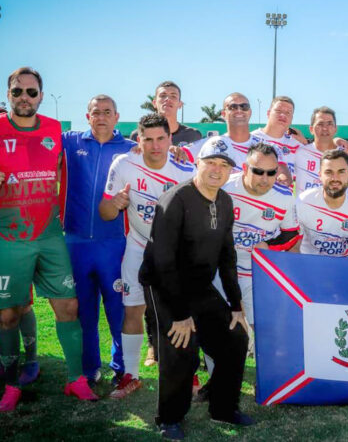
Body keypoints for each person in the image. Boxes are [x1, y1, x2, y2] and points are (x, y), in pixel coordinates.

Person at [140, 138, 251, 439]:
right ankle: (170, 418)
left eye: (224, 165)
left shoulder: (226, 201)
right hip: (164, 284)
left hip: (199, 285)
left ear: (230, 172)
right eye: (211, 163)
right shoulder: (175, 200)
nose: (217, 170)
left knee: (235, 337)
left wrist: (236, 307)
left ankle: (223, 408)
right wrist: (179, 314)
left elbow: (228, 256)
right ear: (197, 164)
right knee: (182, 345)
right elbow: (163, 262)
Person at [0, 67, 97, 412]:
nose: (24, 97)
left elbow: (96, 144)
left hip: (49, 235)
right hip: (9, 237)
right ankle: (11, 385)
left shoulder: (56, 131)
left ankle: (76, 379)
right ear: (8, 94)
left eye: (31, 91)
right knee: (8, 315)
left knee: (68, 306)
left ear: (41, 95)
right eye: (17, 92)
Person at [98, 114, 196, 399]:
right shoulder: (124, 164)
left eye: (161, 139)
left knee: (180, 312)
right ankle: (131, 375)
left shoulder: (185, 169)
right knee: (133, 309)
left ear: (170, 139)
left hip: (174, 250)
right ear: (138, 141)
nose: (155, 146)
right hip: (138, 245)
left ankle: (186, 374)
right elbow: (105, 213)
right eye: (148, 139)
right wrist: (115, 204)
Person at [62, 94, 136, 385]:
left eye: (107, 112)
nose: (101, 117)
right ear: (87, 116)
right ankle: (90, 366)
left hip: (114, 243)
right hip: (77, 242)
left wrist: (179, 153)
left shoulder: (132, 149)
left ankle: (120, 367)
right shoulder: (70, 142)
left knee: (117, 308)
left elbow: (162, 156)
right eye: (96, 112)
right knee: (84, 309)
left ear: (117, 117)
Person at [214, 142, 301, 326]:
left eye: (271, 173)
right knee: (218, 326)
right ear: (245, 168)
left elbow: (291, 234)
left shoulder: (285, 197)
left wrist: (269, 246)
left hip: (256, 272)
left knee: (262, 327)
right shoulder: (225, 188)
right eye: (258, 171)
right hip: (221, 270)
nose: (265, 178)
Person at [185, 93, 291, 183]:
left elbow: (283, 171)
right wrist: (176, 150)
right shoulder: (211, 143)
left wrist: (283, 179)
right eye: (233, 107)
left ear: (249, 112)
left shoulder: (267, 146)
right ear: (223, 113)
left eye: (244, 107)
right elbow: (178, 156)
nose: (239, 110)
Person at [297, 149, 348, 257]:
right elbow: (294, 246)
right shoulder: (304, 202)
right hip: (312, 263)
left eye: (341, 171)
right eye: (329, 172)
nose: (335, 178)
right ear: (320, 175)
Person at [293, 106, 348, 193]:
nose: (325, 128)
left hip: (336, 206)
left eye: (330, 124)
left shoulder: (347, 153)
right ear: (311, 129)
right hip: (305, 206)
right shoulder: (299, 153)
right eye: (320, 124)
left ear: (335, 129)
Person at [129, 81, 202, 146]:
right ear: (154, 103)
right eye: (163, 95)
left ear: (180, 104)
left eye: (173, 96)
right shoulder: (138, 136)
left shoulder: (193, 135)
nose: (168, 99)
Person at [251, 95, 306, 181]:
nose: (283, 115)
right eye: (278, 111)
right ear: (268, 113)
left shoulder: (297, 146)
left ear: (292, 118)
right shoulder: (251, 139)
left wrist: (307, 144)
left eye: (288, 113)